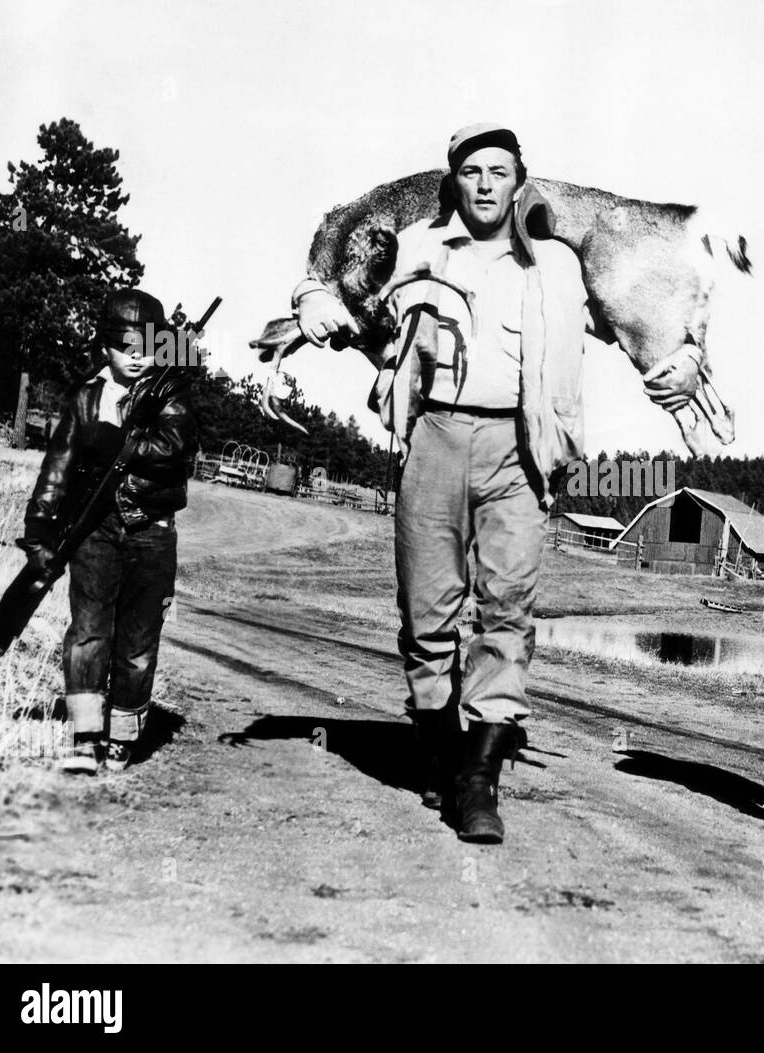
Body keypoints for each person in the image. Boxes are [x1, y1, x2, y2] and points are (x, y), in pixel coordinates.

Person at [293, 123, 698, 844]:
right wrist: (308, 301)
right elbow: (331, 285)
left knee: (506, 608)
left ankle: (478, 780)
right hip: (434, 438)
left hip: (520, 447)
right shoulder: (417, 249)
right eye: (472, 171)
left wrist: (678, 365)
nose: (485, 184)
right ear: (454, 182)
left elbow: (634, 310)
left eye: (499, 172)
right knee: (427, 615)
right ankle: (439, 744)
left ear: (520, 182)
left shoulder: (558, 270)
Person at [19, 289, 197, 774]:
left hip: (151, 530)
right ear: (105, 347)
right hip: (94, 531)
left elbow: (173, 447)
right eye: (125, 346)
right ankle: (85, 735)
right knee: (88, 630)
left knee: (139, 639)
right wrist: (39, 530)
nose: (137, 356)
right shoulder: (85, 397)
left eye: (147, 345)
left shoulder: (171, 392)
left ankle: (122, 735)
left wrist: (118, 437)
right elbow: (57, 467)